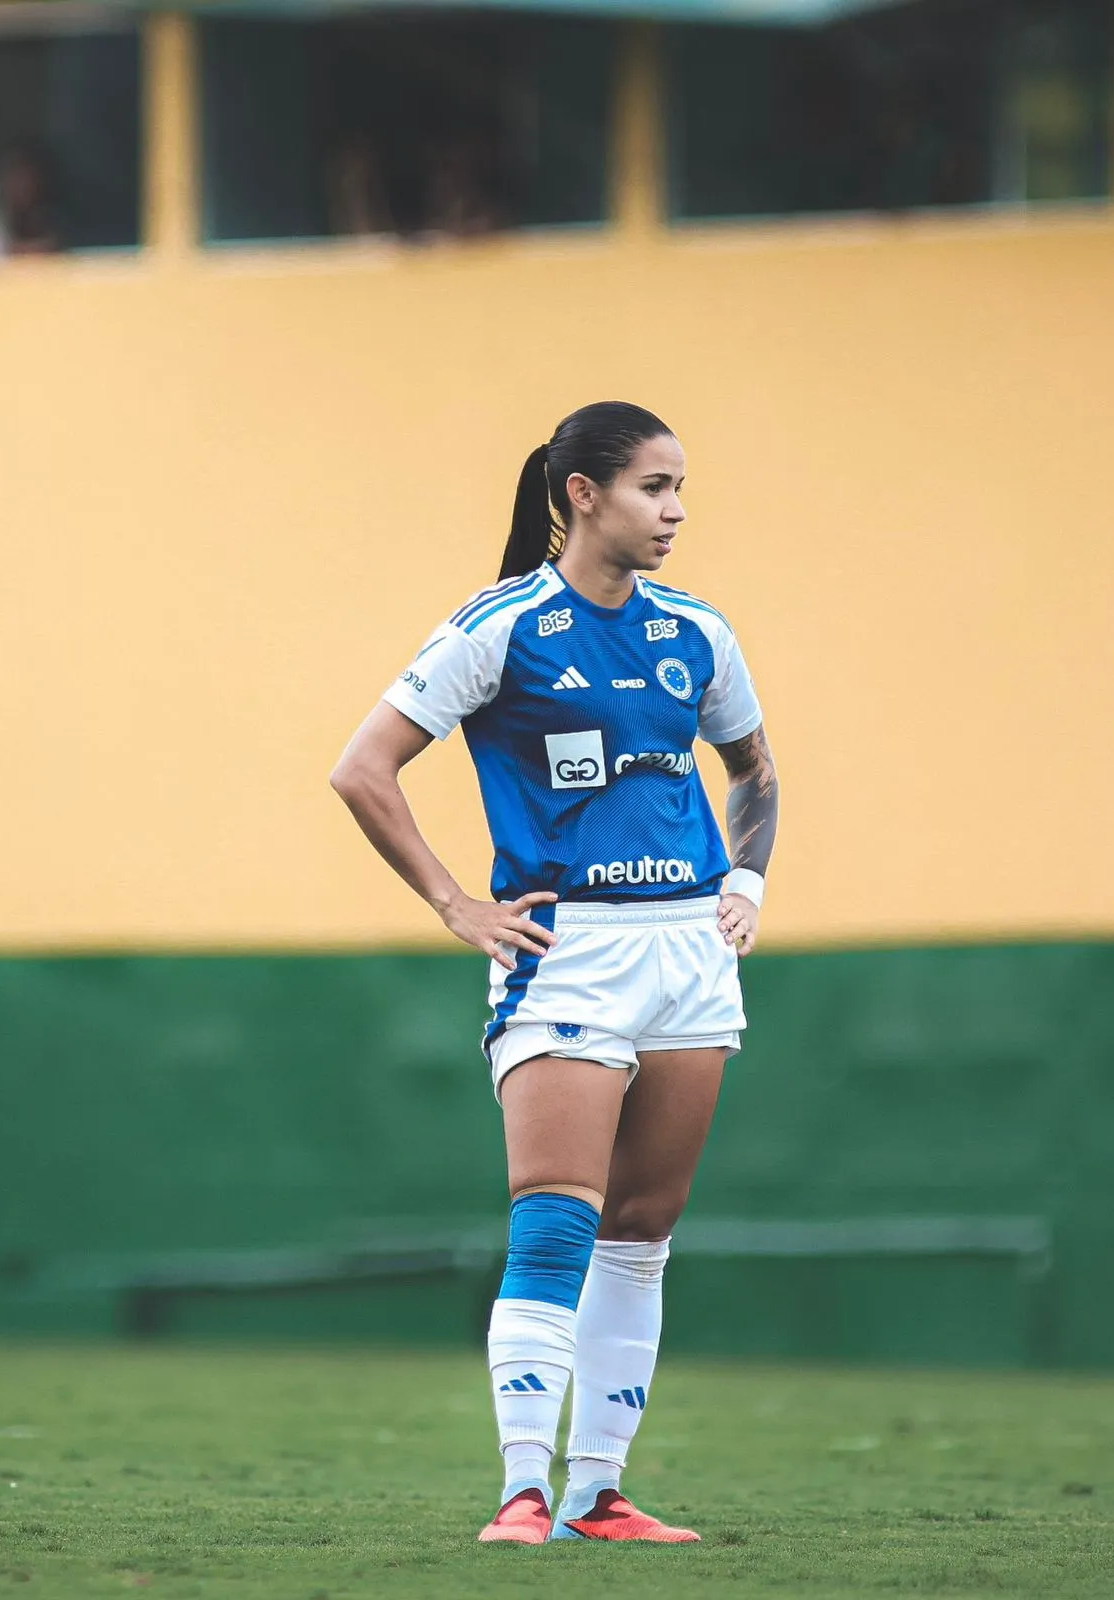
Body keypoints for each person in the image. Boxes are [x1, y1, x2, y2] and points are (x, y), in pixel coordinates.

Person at [330, 400, 778, 1544]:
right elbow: (362, 768)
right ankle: (520, 1489)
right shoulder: (502, 625)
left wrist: (747, 879)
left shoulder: (698, 632)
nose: (673, 511)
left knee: (641, 1231)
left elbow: (754, 771)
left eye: (681, 489)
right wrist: (453, 900)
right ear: (581, 493)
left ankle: (596, 1493)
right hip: (566, 952)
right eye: (652, 487)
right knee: (554, 1225)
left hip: (688, 951)